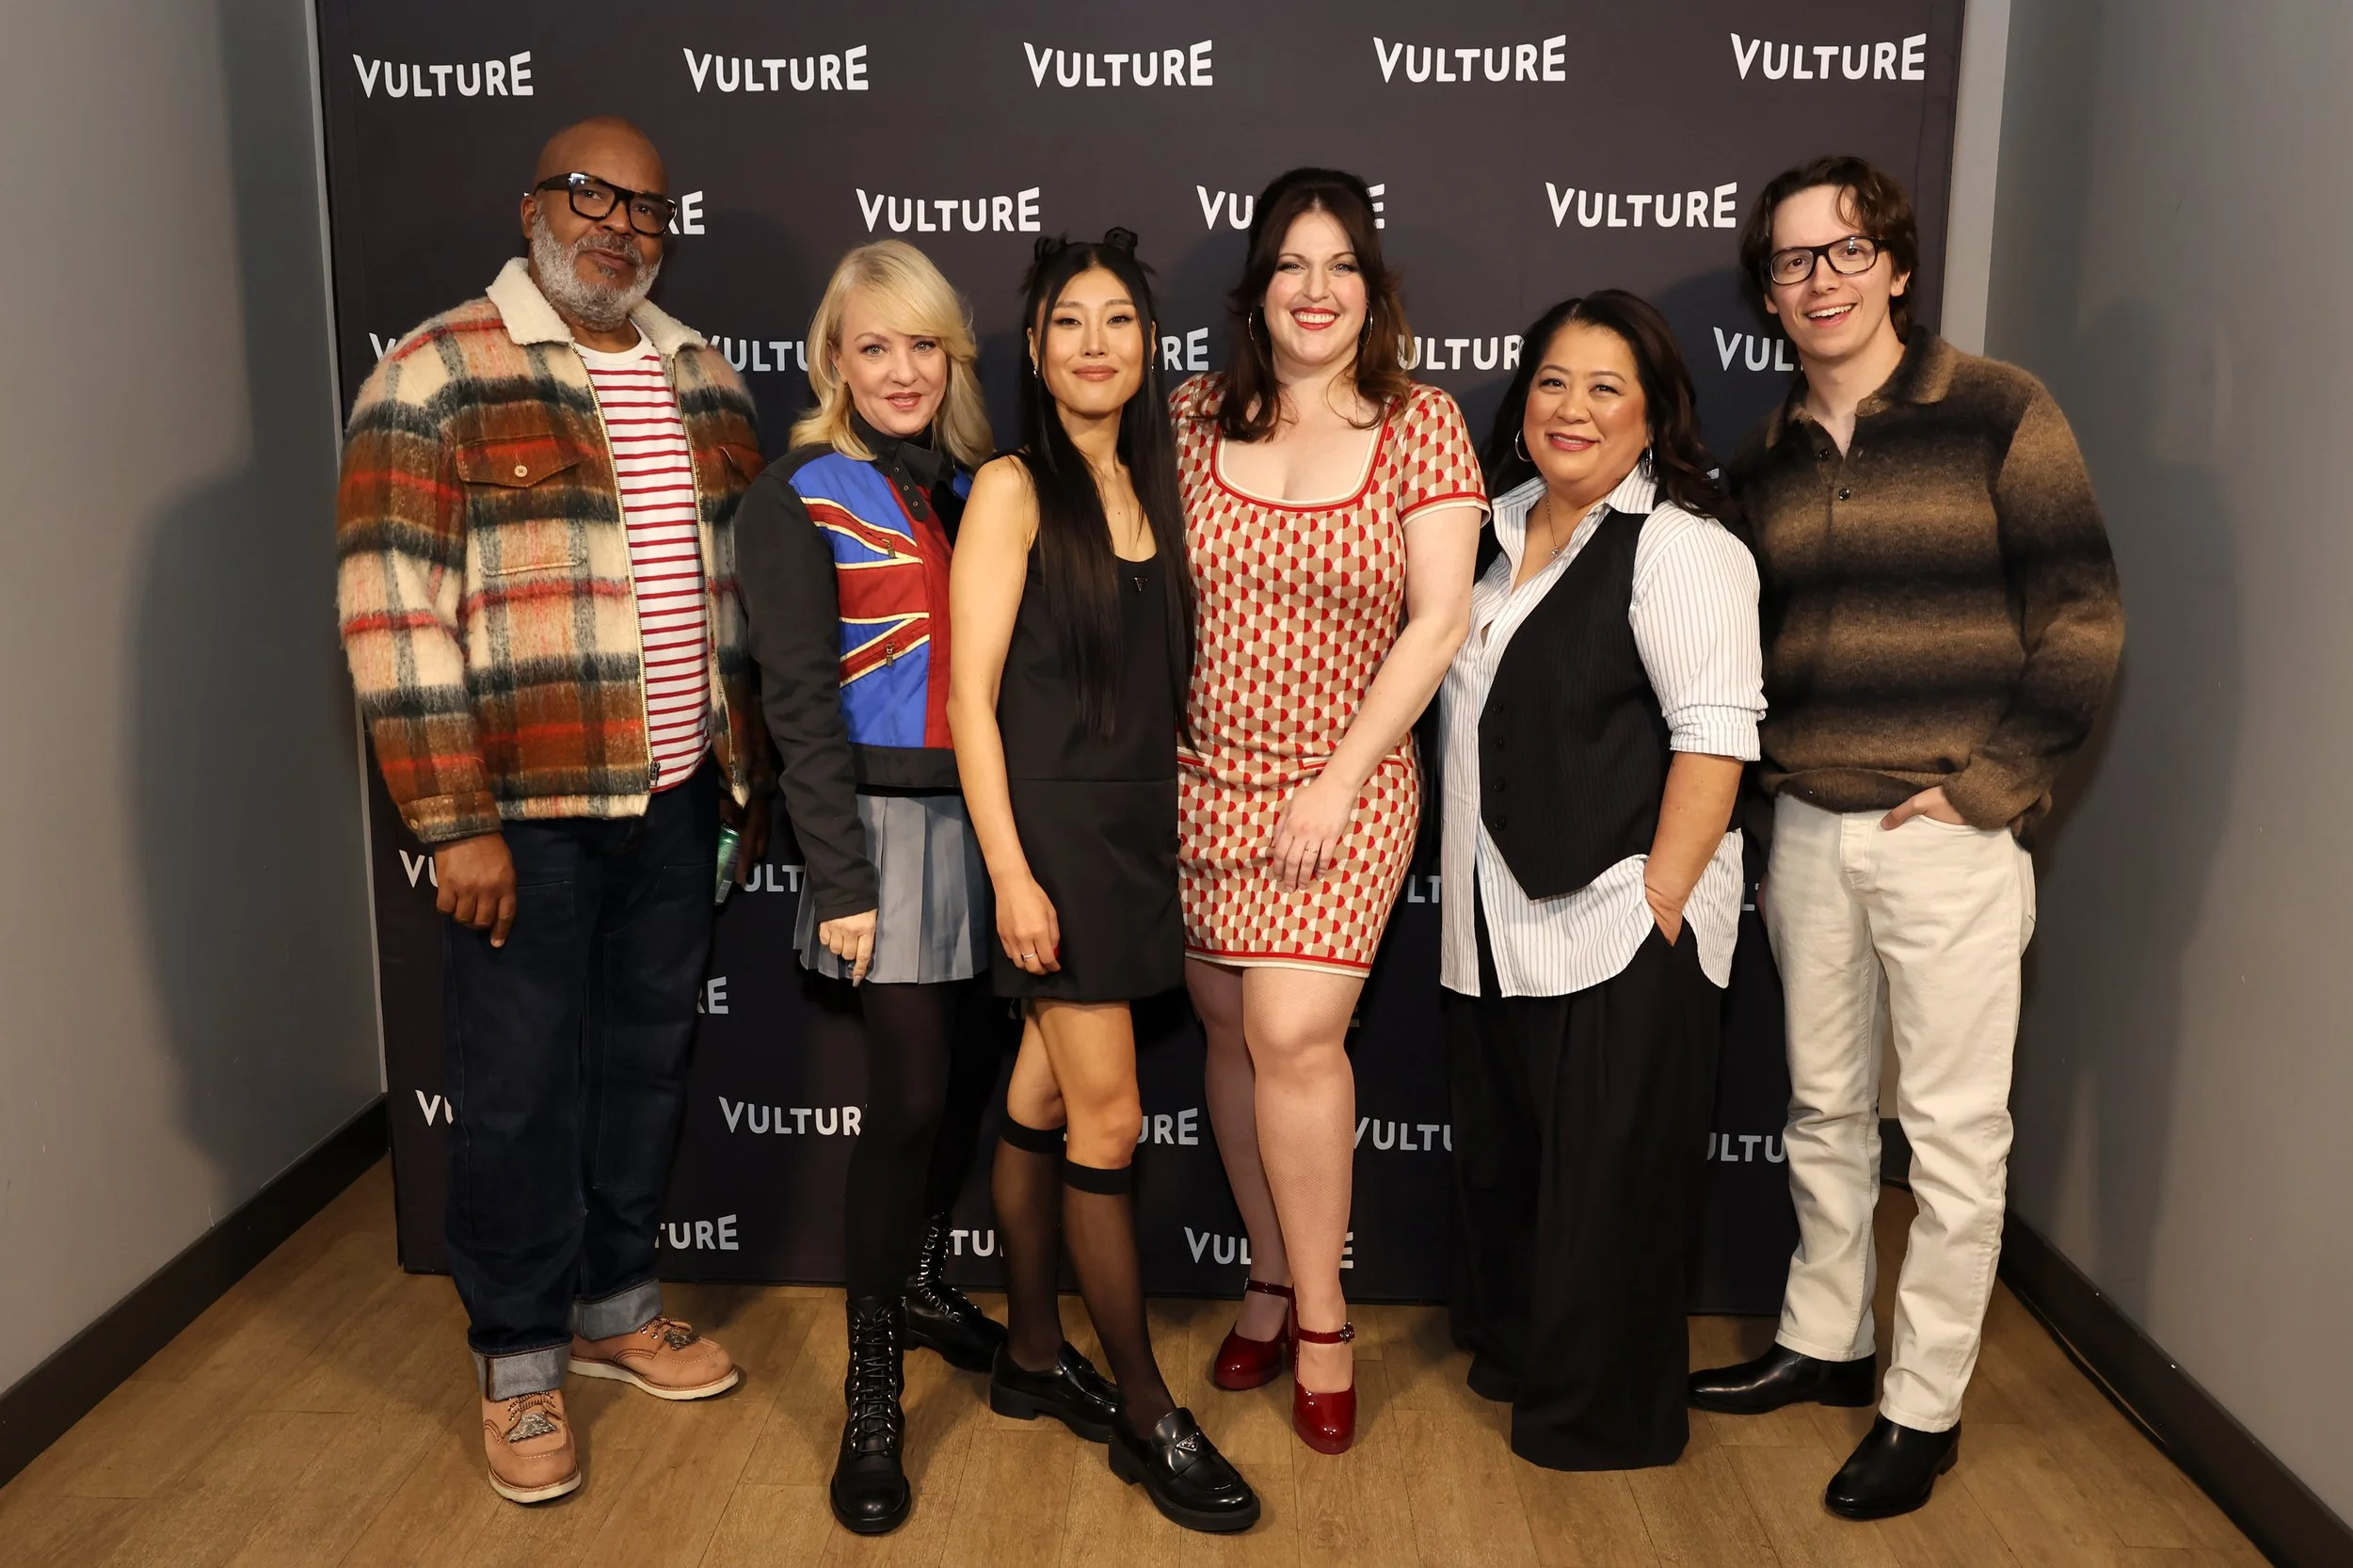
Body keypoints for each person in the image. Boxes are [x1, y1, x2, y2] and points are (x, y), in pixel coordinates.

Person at [335, 117, 769, 1505]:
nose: (620, 227)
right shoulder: (433, 373)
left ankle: (614, 1305)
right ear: (533, 209)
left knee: (647, 1063)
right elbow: (391, 613)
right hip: (520, 812)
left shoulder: (706, 378)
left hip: (678, 796)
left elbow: (742, 602)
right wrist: (453, 818)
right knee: (517, 1088)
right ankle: (518, 1358)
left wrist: (745, 770)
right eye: (592, 196)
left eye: (646, 208)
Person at [1689, 155, 2124, 1520]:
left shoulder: (1999, 409)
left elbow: (2083, 616)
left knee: (1949, 1137)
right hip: (1807, 831)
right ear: (1768, 291)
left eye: (1844, 251)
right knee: (1823, 1110)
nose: (1819, 279)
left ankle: (1922, 1406)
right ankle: (1826, 1338)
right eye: (1791, 260)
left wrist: (1990, 787)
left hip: (1947, 831)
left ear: (1896, 264)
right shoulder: (1761, 462)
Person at [950, 231, 1259, 1533]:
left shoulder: (1156, 484)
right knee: (1112, 1119)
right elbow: (968, 701)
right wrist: (1011, 873)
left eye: (1118, 320)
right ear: (1033, 350)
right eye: (1068, 321)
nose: (1094, 342)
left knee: (1039, 1098)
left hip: (1139, 839)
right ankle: (1143, 1404)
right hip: (1055, 846)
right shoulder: (1011, 488)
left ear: (1148, 347)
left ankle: (1030, 1350)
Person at [1173, 168, 1484, 1456]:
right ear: (1257, 289)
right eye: (1292, 265)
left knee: (1294, 1033)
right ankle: (1263, 1272)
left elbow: (1441, 620)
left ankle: (1322, 1320)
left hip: (1346, 783)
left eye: (1341, 264)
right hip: (1200, 781)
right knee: (1231, 1032)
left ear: (1373, 287)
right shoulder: (1192, 415)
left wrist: (1339, 780)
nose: (1316, 289)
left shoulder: (1422, 423)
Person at [1441, 291, 1762, 1470]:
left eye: (1604, 388)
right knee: (1521, 1175)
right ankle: (1525, 1357)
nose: (1570, 409)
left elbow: (1713, 738)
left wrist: (1659, 905)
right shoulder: (1488, 532)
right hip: (1495, 924)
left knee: (1609, 1195)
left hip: (1620, 922)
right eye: (1551, 382)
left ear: (1652, 413)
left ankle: (1600, 1422)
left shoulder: (1681, 545)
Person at [732, 240, 1006, 1536]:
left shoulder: (980, 486)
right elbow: (794, 699)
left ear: (953, 355)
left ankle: (925, 1281)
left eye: (923, 344)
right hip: (879, 839)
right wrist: (838, 871)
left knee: (965, 1089)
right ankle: (873, 1385)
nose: (901, 369)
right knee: (904, 1101)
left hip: (997, 831)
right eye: (873, 345)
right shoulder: (795, 493)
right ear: (832, 359)